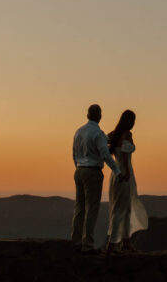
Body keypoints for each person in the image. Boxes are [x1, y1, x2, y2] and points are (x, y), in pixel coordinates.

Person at [71, 104, 121, 253]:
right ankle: (88, 245)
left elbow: (74, 153)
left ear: (87, 115)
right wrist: (117, 171)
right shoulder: (98, 134)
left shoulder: (79, 131)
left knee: (79, 208)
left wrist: (79, 166)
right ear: (100, 116)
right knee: (92, 209)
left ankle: (76, 242)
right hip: (93, 172)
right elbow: (105, 154)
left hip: (79, 171)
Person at [105, 109, 148, 254]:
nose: (134, 123)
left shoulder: (114, 134)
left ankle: (125, 241)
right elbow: (124, 152)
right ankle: (113, 244)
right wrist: (127, 172)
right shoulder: (127, 134)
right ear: (129, 121)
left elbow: (103, 141)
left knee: (123, 207)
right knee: (122, 208)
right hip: (125, 172)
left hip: (115, 173)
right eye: (133, 120)